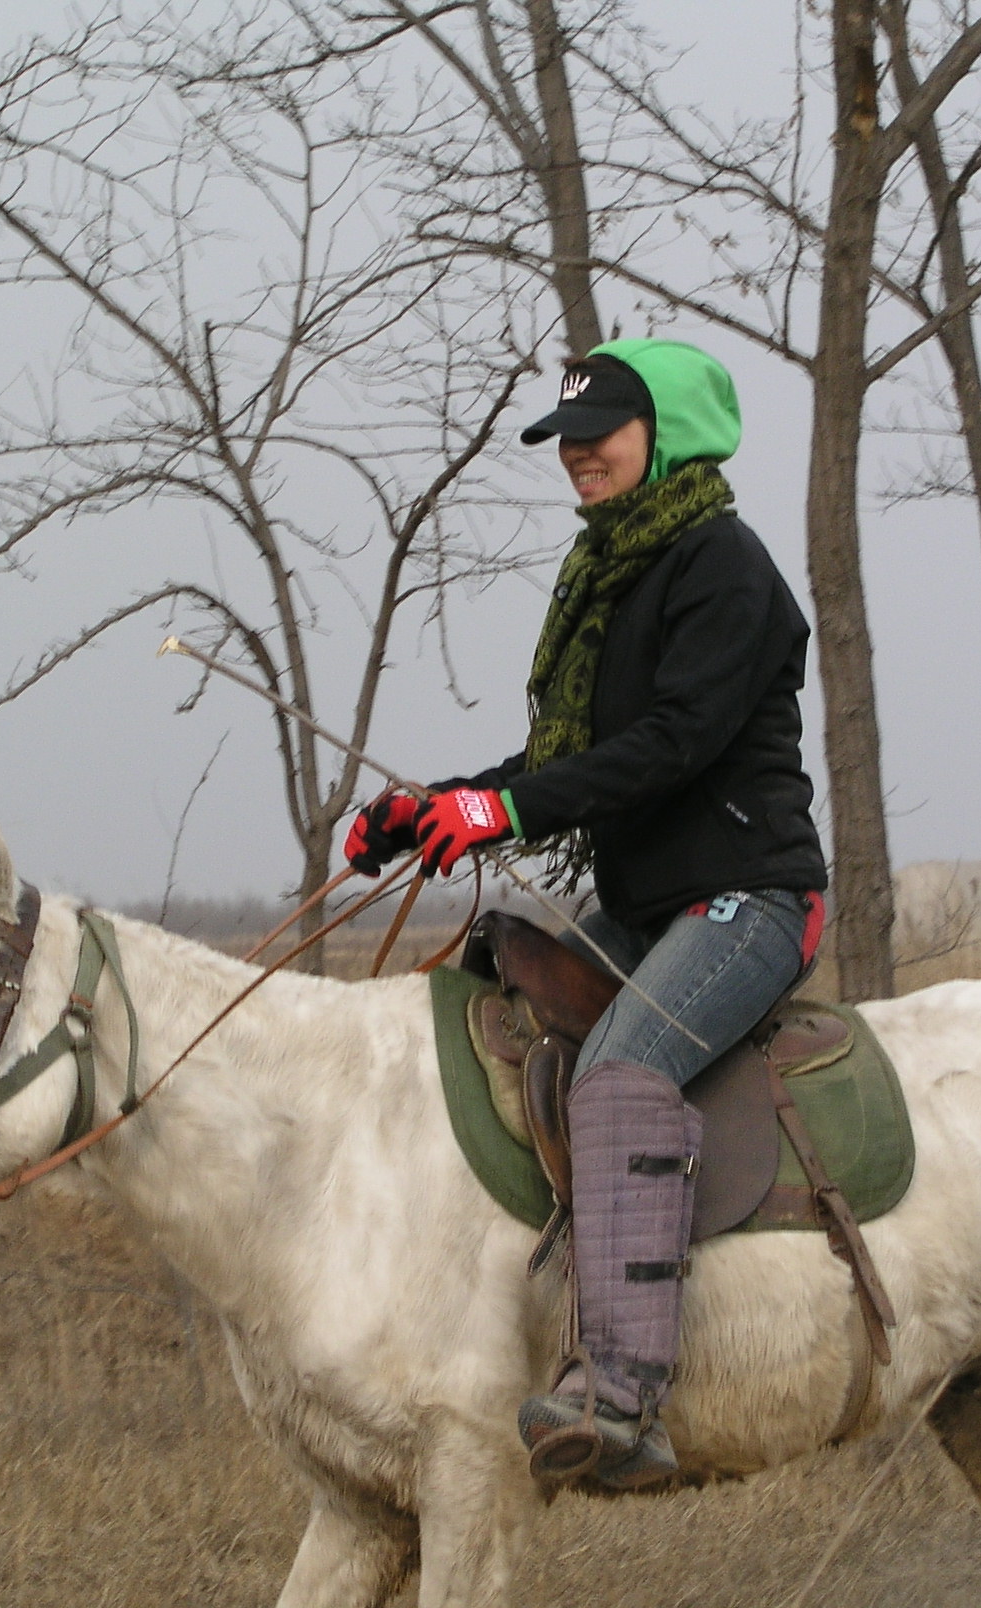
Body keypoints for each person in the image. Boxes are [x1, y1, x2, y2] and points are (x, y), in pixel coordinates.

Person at [343, 339, 827, 1492]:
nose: (576, 455)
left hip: (748, 900)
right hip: (648, 907)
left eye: (599, 433)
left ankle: (622, 1396)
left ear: (670, 434)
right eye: (565, 438)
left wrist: (498, 805)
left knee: (616, 1073)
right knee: (481, 995)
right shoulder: (609, 575)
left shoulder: (724, 566)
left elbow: (667, 750)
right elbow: (567, 761)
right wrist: (428, 813)